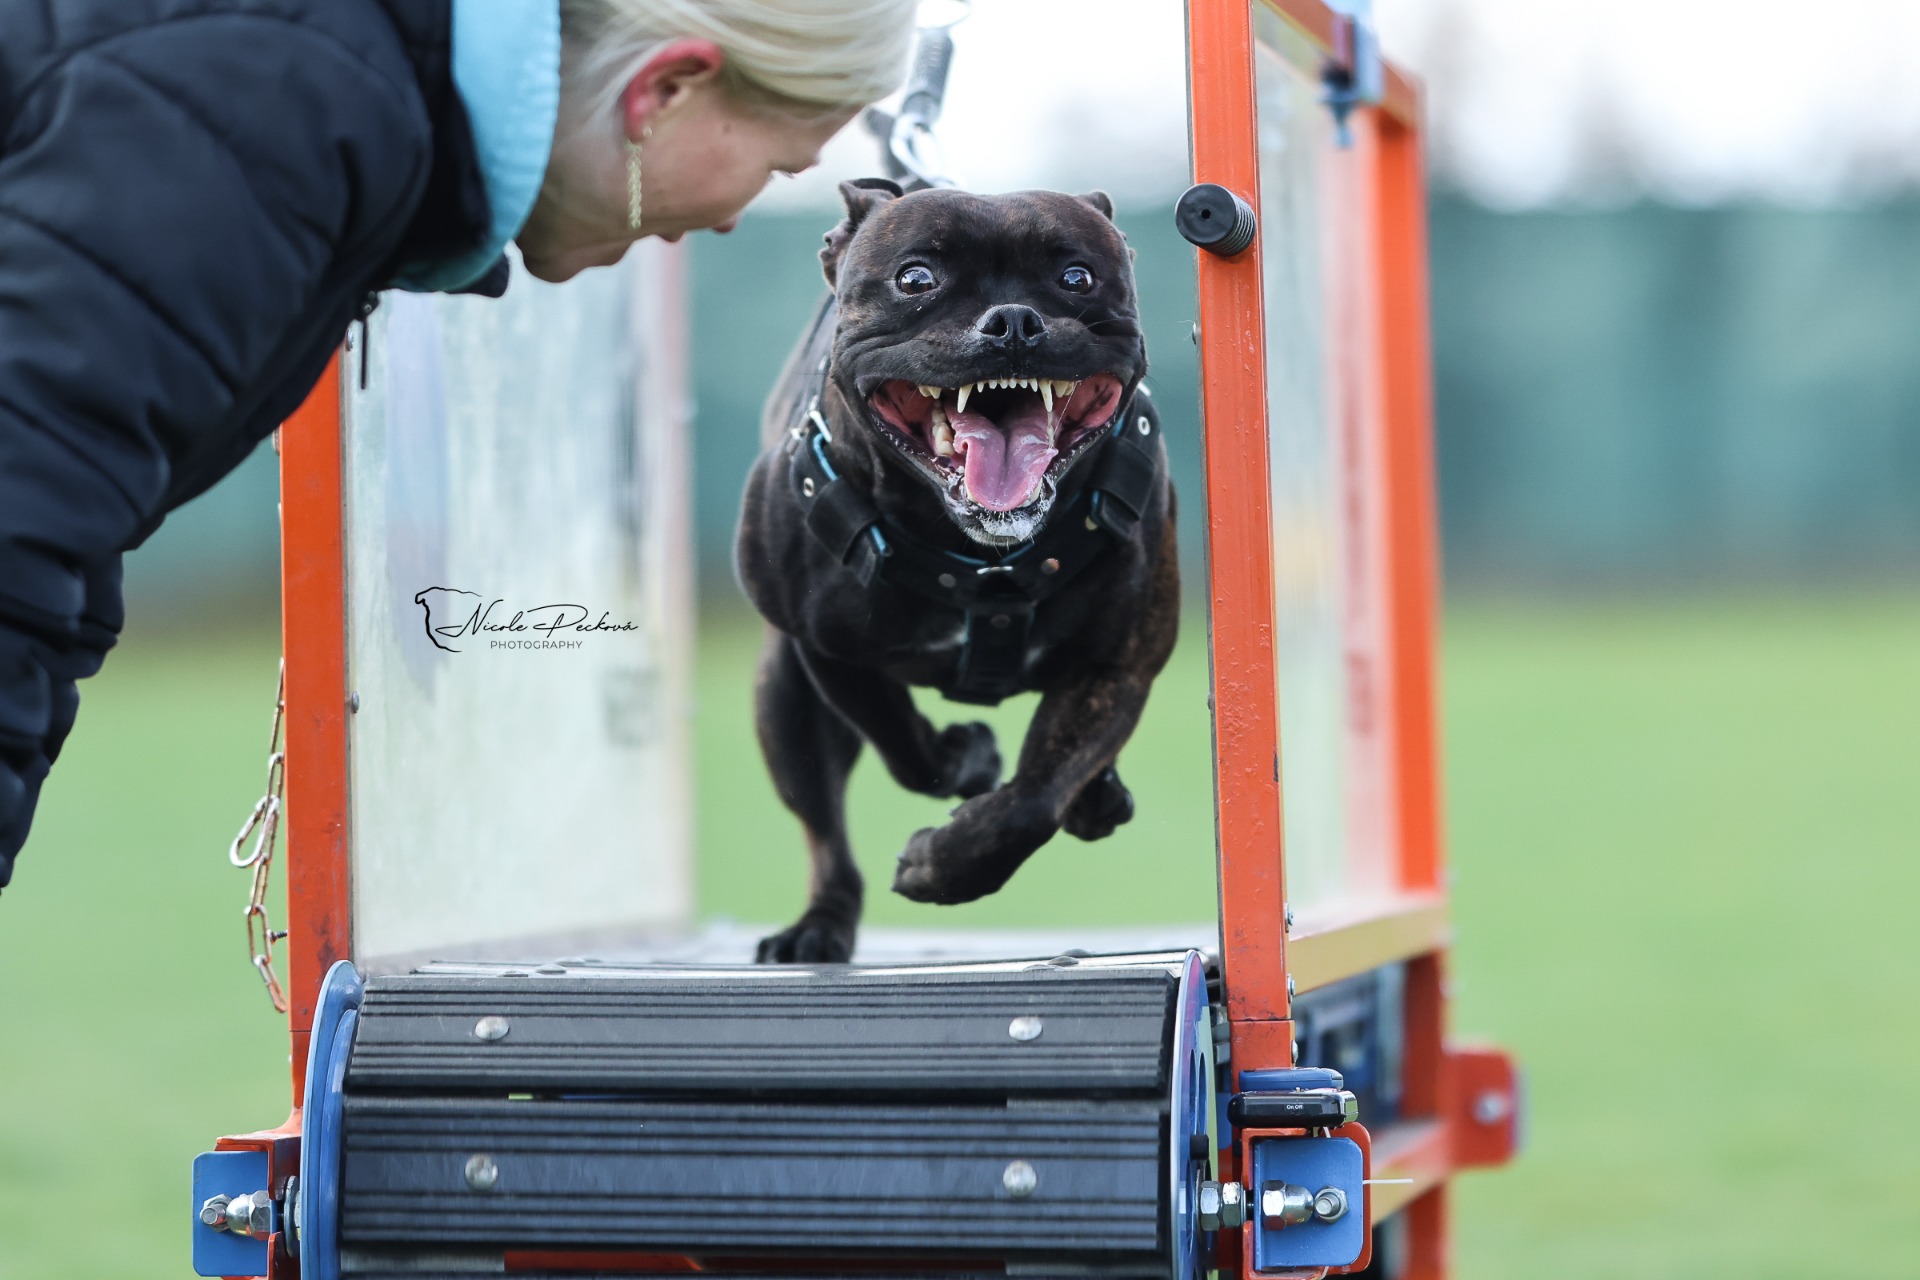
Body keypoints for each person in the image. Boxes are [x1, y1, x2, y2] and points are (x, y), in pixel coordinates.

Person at [0, 0, 919, 889]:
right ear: (666, 90)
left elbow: (62, 544)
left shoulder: (340, 86)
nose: (730, 219)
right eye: (776, 164)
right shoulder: (287, 95)